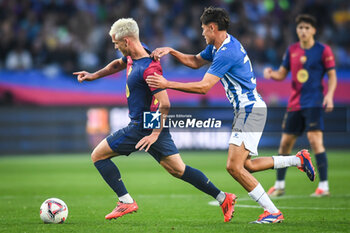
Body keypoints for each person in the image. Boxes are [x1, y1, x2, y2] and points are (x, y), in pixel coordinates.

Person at [146, 7, 315, 224]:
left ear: (212, 28)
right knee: (247, 166)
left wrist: (167, 84)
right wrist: (171, 51)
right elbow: (195, 61)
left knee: (234, 167)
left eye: (203, 29)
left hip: (249, 110)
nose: (202, 33)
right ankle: (298, 159)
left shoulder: (227, 52)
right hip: (249, 109)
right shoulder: (220, 45)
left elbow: (204, 87)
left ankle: (272, 211)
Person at [73, 18, 237, 222]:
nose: (115, 48)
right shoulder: (136, 53)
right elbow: (118, 64)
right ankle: (224, 198)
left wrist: (154, 133)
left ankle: (125, 201)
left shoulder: (149, 68)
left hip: (142, 126)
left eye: (117, 44)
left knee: (97, 155)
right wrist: (93, 75)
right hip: (150, 122)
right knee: (179, 170)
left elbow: (165, 103)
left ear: (126, 41)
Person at [263, 14, 337, 198]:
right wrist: (272, 73)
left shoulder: (323, 50)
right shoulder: (292, 50)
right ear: (297, 30)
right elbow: (282, 74)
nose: (303, 31)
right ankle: (279, 185)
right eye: (300, 28)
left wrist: (329, 95)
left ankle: (324, 186)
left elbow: (333, 75)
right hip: (294, 104)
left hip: (313, 102)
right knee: (285, 144)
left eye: (306, 28)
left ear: (313, 30)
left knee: (315, 140)